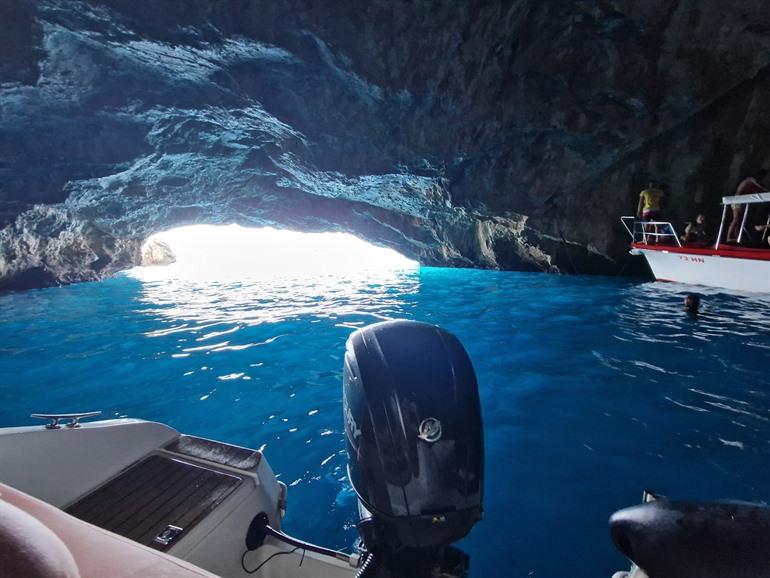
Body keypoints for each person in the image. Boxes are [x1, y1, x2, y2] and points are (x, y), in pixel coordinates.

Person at [727, 169, 768, 242]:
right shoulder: (751, 179)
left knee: (738, 220)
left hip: (740, 201)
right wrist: (767, 191)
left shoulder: (753, 184)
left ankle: (736, 237)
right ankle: (728, 237)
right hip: (737, 200)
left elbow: (760, 189)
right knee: (736, 219)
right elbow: (760, 187)